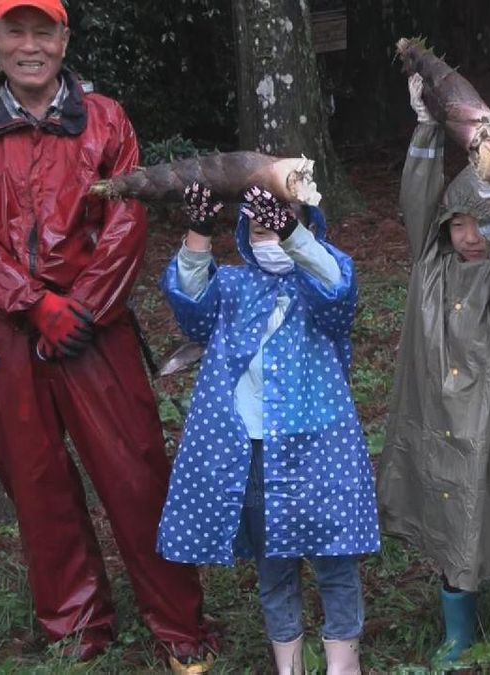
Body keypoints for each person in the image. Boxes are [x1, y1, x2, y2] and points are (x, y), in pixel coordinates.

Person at [0, 0, 213, 669]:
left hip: (96, 328)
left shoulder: (107, 119)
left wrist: (79, 306)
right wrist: (34, 305)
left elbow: (126, 221)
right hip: (3, 332)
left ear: (64, 37)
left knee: (136, 472)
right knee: (38, 483)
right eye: (15, 30)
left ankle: (180, 627)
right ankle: (76, 628)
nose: (29, 46)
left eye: (43, 30)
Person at [376, 75, 490, 673]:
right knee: (451, 512)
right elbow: (418, 198)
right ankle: (458, 633)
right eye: (458, 223)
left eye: (483, 223)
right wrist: (429, 126)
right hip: (442, 416)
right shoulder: (430, 268)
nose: (469, 236)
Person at [157, 185, 379, 675]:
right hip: (253, 450)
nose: (272, 237)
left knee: (335, 559)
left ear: (307, 228)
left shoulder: (323, 278)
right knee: (273, 563)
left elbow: (337, 293)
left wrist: (290, 231)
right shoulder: (234, 286)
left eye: (282, 226)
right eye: (260, 228)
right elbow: (193, 311)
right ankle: (290, 663)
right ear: (243, 235)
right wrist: (198, 234)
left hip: (322, 446)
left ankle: (345, 664)